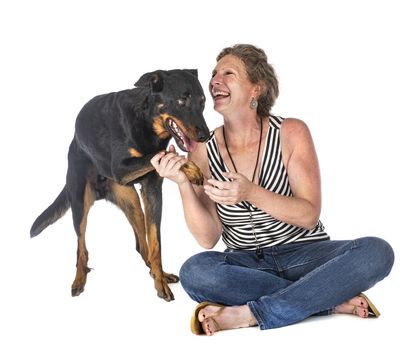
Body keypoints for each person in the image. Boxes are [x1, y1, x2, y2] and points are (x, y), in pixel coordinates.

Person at [151, 44, 394, 335]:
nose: (215, 80)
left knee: (376, 252)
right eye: (214, 73)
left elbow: (308, 215)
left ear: (257, 89)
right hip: (246, 265)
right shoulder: (203, 148)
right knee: (194, 272)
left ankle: (251, 314)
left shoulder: (291, 132)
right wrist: (182, 185)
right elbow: (207, 238)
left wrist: (250, 192)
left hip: (307, 256)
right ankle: (326, 300)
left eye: (229, 73)